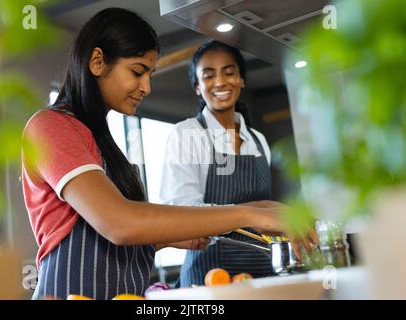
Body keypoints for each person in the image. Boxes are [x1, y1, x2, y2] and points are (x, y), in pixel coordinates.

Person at [21, 8, 315, 300]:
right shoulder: (50, 127)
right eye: (137, 71)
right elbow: (120, 223)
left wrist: (166, 239)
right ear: (97, 61)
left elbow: (109, 240)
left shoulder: (100, 142)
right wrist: (250, 215)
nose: (146, 87)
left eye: (150, 74)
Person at [159, 40, 299, 287]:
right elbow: (180, 213)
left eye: (229, 72)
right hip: (209, 274)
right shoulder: (188, 134)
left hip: (263, 271)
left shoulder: (258, 140)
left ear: (242, 79)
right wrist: (256, 210)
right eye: (209, 75)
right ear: (197, 86)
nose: (221, 81)